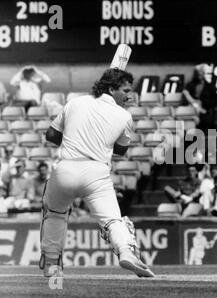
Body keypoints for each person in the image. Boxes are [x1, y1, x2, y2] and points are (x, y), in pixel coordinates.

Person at [39, 68, 154, 278]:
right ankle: (126, 252)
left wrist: (74, 136)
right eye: (126, 90)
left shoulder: (76, 102)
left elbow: (51, 134)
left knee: (55, 214)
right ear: (111, 89)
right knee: (113, 220)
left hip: (65, 168)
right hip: (96, 172)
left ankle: (52, 263)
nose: (129, 95)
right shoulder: (125, 116)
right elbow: (120, 151)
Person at [182, 63, 217, 132]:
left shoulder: (209, 86)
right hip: (191, 109)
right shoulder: (190, 85)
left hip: (205, 110)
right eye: (198, 73)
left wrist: (205, 103)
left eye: (202, 73)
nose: (200, 75)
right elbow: (185, 98)